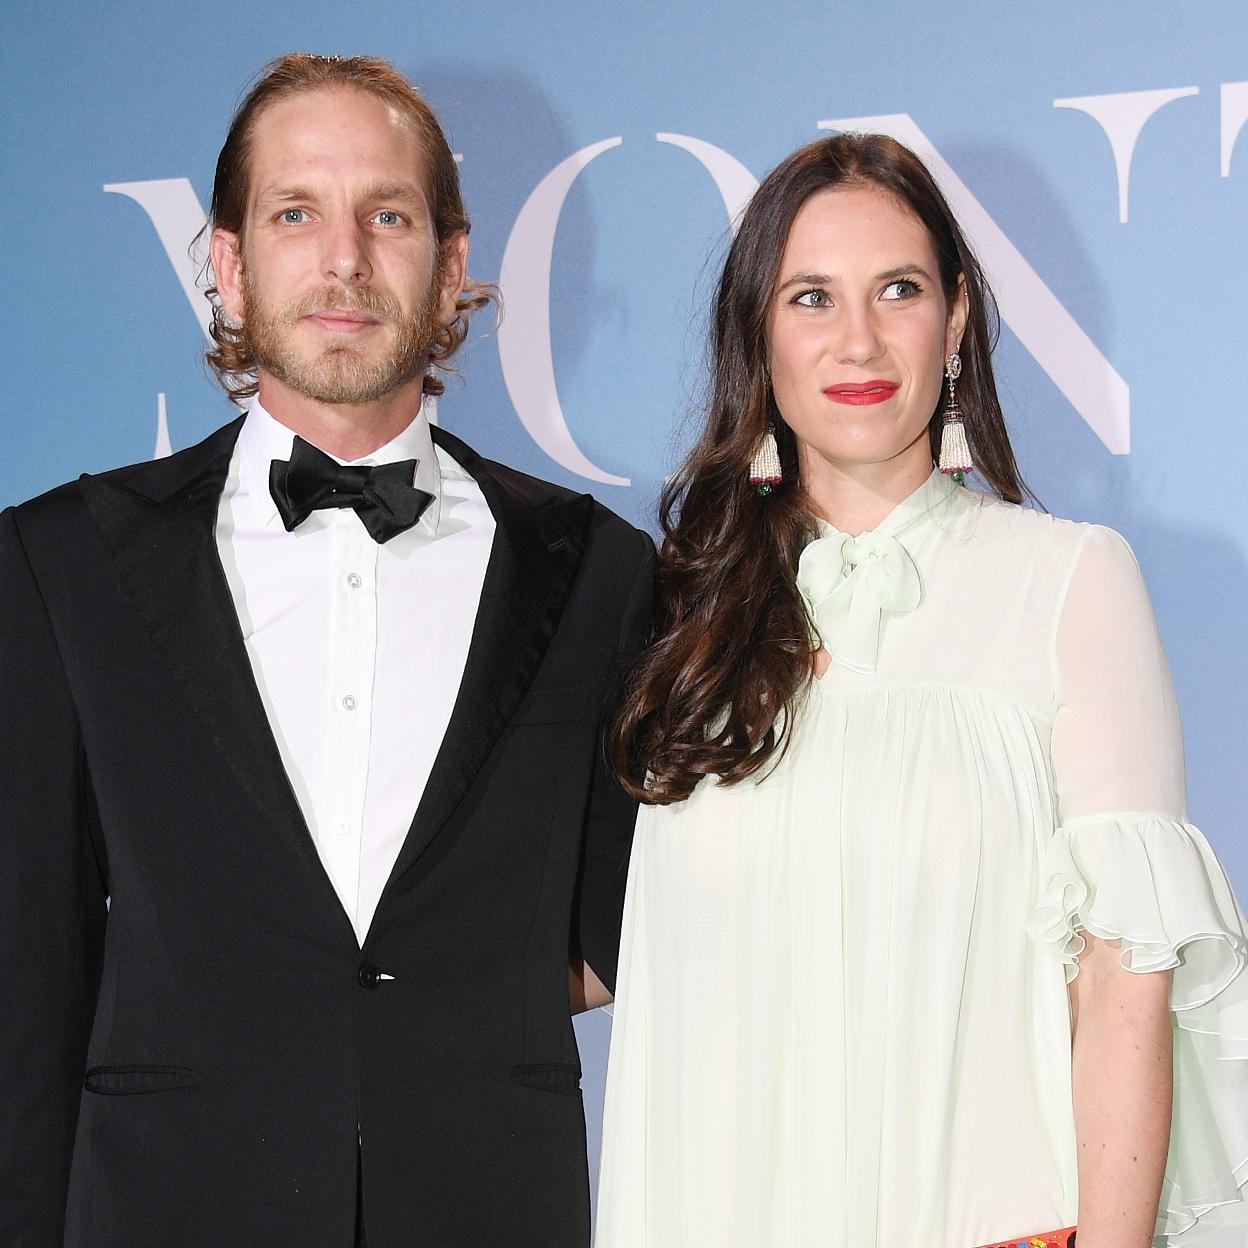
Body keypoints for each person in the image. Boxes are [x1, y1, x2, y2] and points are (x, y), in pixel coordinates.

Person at [0, 53, 652, 1248]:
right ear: (230, 264)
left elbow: (637, 926)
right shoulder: (62, 564)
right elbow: (26, 981)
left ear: (450, 265)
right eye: (295, 213)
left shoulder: (600, 572)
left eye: (386, 215)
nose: (344, 258)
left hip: (487, 1205)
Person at [596, 134, 1248, 1247]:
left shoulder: (1070, 582)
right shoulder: (674, 616)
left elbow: (1123, 980)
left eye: (897, 289)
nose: (858, 338)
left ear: (953, 324)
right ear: (758, 335)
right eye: (811, 297)